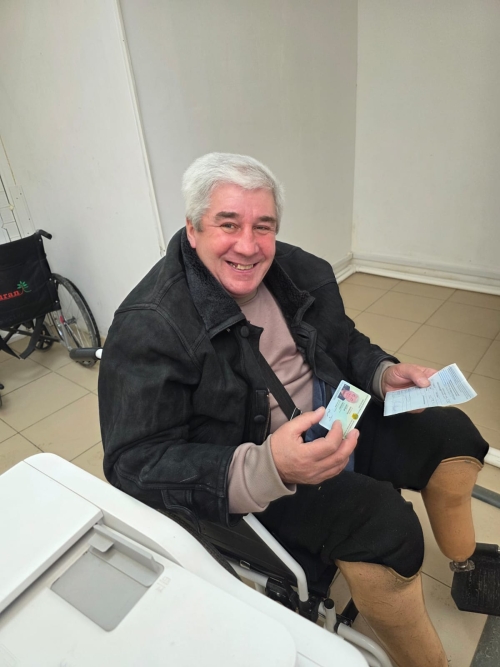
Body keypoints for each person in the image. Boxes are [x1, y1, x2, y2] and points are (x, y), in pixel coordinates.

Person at [99, 152, 489, 667]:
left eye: (263, 226)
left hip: (332, 412)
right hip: (256, 464)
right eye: (228, 224)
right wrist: (268, 466)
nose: (248, 245)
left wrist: (381, 373)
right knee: (386, 527)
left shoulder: (297, 269)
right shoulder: (149, 324)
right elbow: (133, 463)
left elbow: (343, 340)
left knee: (453, 437)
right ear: (192, 229)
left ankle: (466, 564)